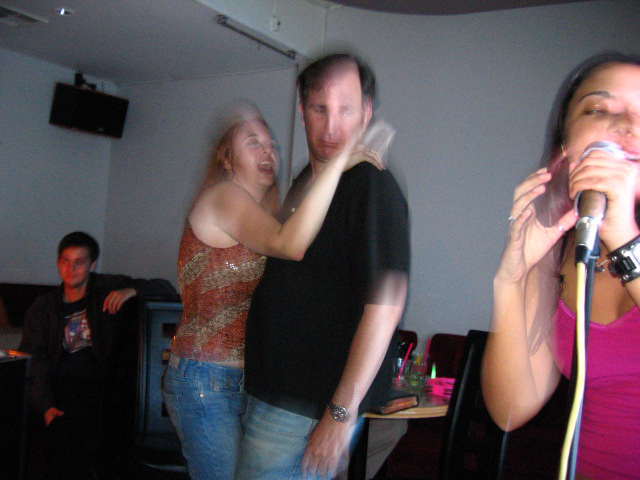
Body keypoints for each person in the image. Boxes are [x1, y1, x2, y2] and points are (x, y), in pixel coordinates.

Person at [162, 103, 383, 480]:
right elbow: (290, 245)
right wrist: (338, 163)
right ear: (227, 158)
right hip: (204, 378)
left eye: (272, 145)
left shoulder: (268, 214)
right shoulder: (224, 196)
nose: (268, 151)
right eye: (254, 142)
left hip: (249, 381)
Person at [235, 54, 410, 480]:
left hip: (306, 411)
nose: (331, 128)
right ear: (302, 110)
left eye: (345, 110)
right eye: (320, 109)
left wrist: (339, 414)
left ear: (366, 112)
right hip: (271, 395)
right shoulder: (306, 183)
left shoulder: (371, 185)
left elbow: (385, 307)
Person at [481, 52, 640, 480]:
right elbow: (510, 409)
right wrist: (511, 279)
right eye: (599, 109)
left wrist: (625, 239)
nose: (627, 124)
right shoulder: (563, 251)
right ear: (566, 146)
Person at [18, 231, 176, 480]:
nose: (71, 269)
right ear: (58, 263)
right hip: (62, 388)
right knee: (61, 435)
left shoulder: (106, 288)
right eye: (65, 260)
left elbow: (165, 289)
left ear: (92, 265)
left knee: (102, 431)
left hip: (103, 388)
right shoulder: (44, 307)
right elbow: (34, 359)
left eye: (79, 262)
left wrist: (132, 290)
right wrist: (45, 405)